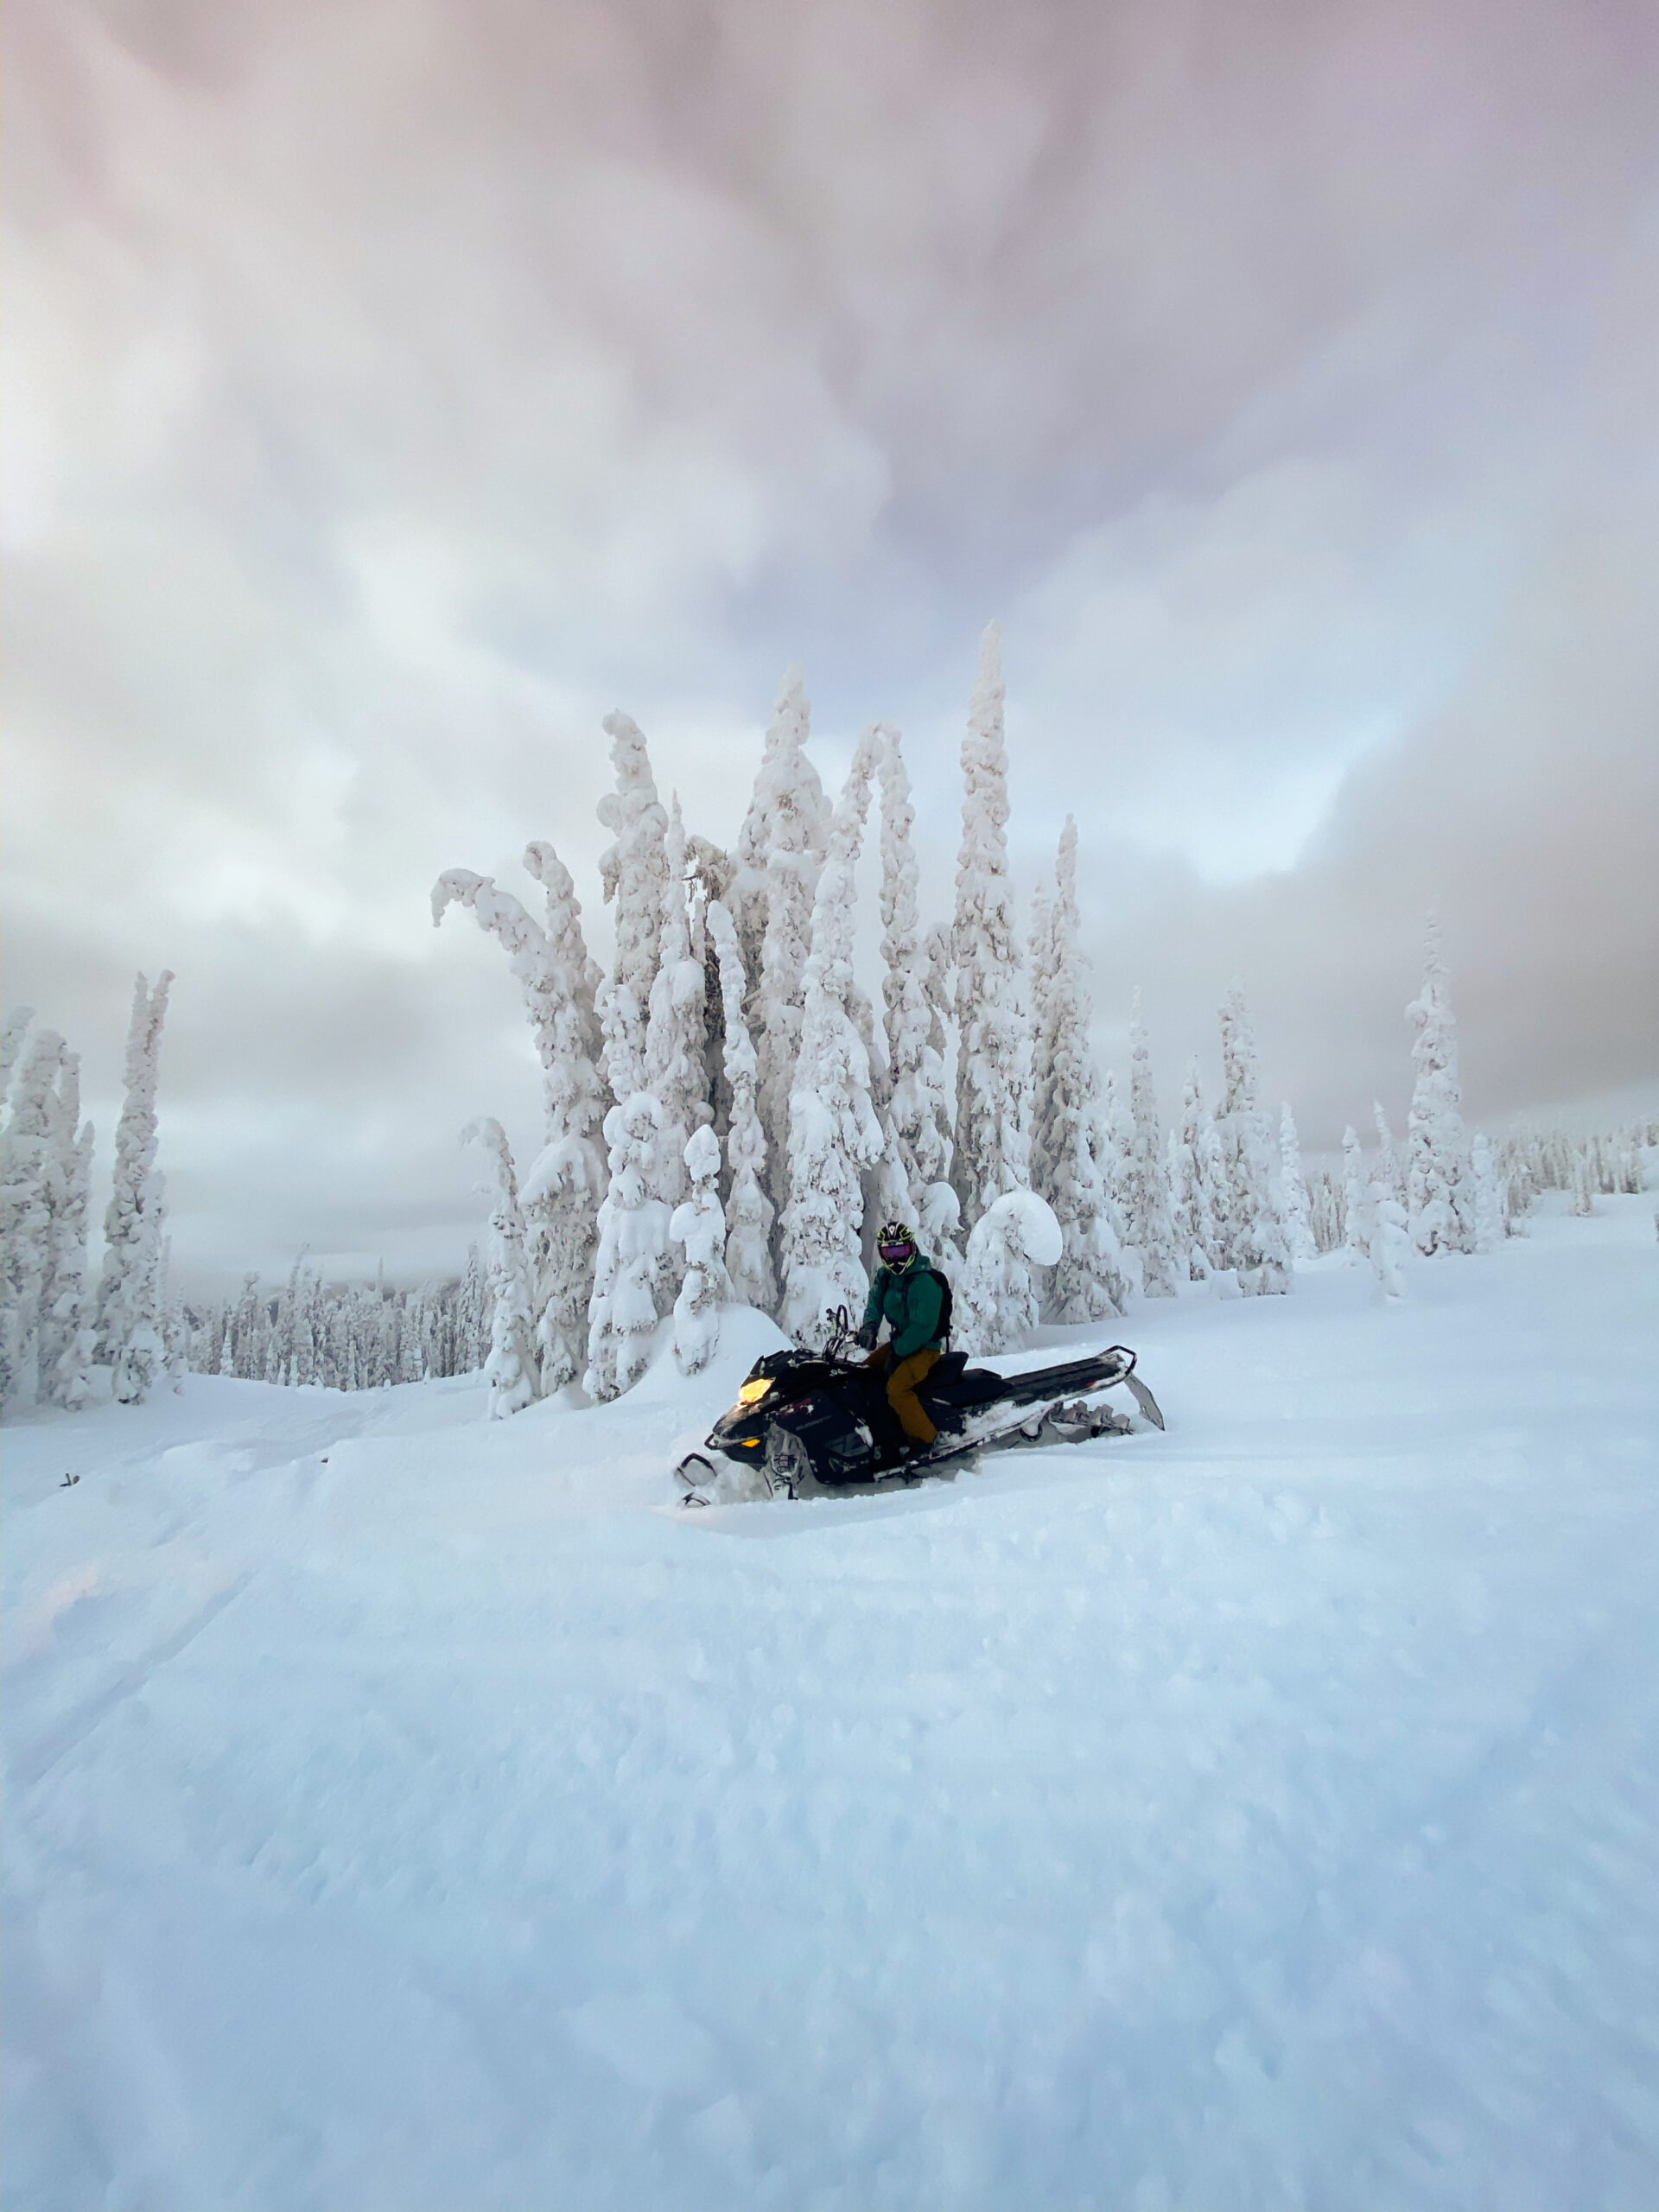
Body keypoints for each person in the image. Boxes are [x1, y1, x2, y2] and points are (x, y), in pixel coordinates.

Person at [857, 1220, 948, 1452]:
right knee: (863, 1374)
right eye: (889, 1252)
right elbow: (875, 1301)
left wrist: (898, 1352)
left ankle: (925, 1440)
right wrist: (869, 1327)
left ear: (911, 1248)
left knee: (897, 1389)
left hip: (925, 1348)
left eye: (900, 1251)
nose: (895, 1259)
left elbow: (923, 1327)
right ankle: (879, 1428)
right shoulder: (887, 1277)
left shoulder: (924, 1282)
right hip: (901, 1343)